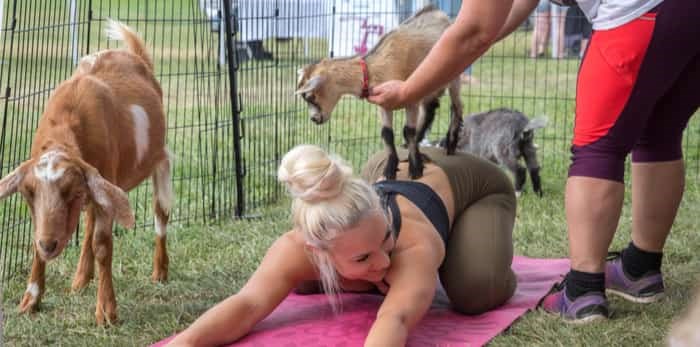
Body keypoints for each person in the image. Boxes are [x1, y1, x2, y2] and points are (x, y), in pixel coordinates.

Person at [368, 0, 699, 324]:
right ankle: (640, 268)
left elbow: (475, 29)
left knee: (598, 150)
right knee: (659, 133)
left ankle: (583, 292)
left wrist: (410, 90)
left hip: (638, 12)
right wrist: (446, 51)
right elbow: (507, 12)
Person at [166, 144, 517, 346]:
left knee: (475, 290)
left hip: (471, 181)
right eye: (365, 255)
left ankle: (463, 236)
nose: (382, 260)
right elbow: (248, 303)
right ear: (316, 251)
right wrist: (184, 343)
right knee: (301, 281)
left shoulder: (412, 247)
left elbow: (394, 317)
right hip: (388, 161)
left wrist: (372, 258)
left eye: (384, 239)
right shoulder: (299, 246)